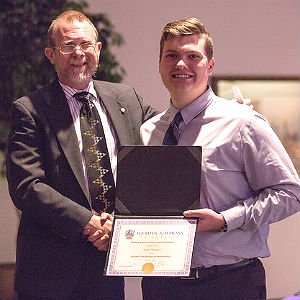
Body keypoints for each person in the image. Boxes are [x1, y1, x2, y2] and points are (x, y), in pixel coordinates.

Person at [140, 17, 300, 300]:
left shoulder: (243, 123)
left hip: (229, 283)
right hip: (161, 285)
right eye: (172, 56)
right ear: (160, 64)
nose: (181, 64)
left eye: (192, 56)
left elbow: (291, 194)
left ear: (210, 66)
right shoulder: (149, 131)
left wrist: (224, 220)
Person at [6, 10, 157, 300]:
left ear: (98, 49)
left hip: (108, 265)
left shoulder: (127, 99)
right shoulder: (29, 110)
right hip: (50, 272)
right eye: (68, 46)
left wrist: (228, 112)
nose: (79, 53)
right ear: (51, 54)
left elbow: (170, 130)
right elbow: (27, 187)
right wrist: (88, 222)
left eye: (86, 44)